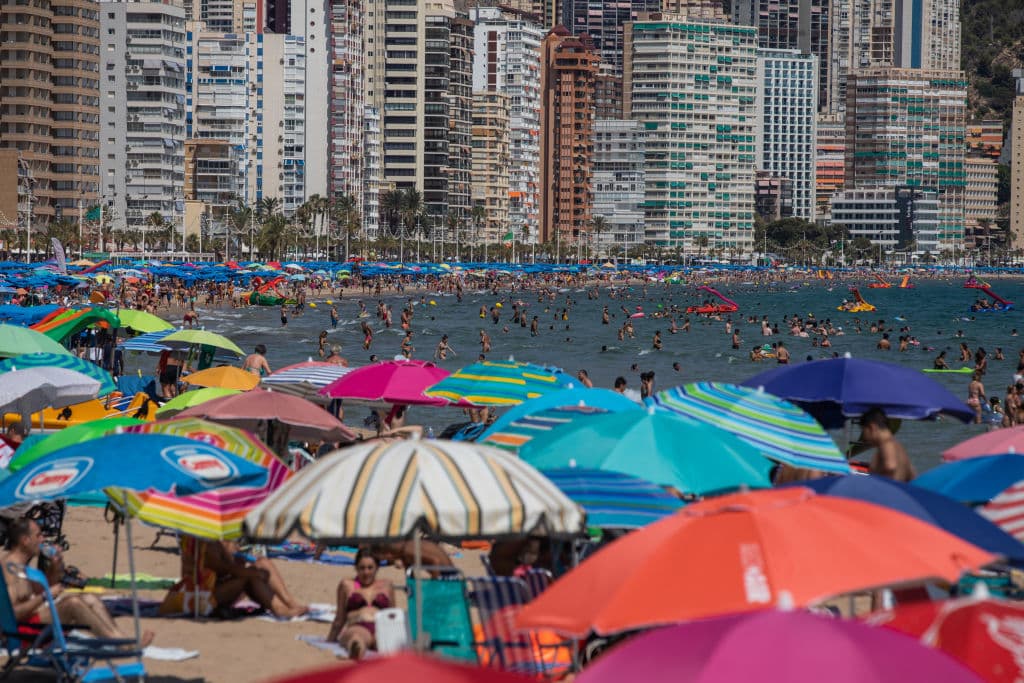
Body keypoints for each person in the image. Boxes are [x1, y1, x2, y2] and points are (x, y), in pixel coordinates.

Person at [0, 518, 155, 647]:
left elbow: (42, 588)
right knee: (72, 603)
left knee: (89, 598)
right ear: (25, 540)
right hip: (18, 633)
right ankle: (122, 644)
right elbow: (11, 614)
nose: (42, 539)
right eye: (38, 535)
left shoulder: (20, 565)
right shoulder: (10, 571)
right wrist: (45, 597)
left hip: (29, 623)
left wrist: (56, 565)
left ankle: (121, 639)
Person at [202, 540, 308, 619]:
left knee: (263, 562)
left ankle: (290, 603)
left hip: (227, 588)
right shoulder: (207, 543)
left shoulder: (228, 539)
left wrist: (238, 555)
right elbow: (224, 568)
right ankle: (279, 609)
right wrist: (254, 573)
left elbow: (236, 567)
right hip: (206, 596)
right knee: (251, 575)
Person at [327, 549, 396, 660]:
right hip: (358, 626)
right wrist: (330, 640)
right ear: (356, 568)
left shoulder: (387, 585)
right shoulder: (346, 585)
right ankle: (356, 650)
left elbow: (393, 615)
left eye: (370, 568)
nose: (366, 572)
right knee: (357, 639)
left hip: (381, 627)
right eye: (362, 568)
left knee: (382, 642)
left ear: (377, 568)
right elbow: (340, 617)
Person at [858, 407, 915, 482]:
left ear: (872, 427)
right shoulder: (899, 448)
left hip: (887, 491)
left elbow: (891, 466)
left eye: (863, 431)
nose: (864, 437)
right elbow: (912, 475)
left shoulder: (887, 444)